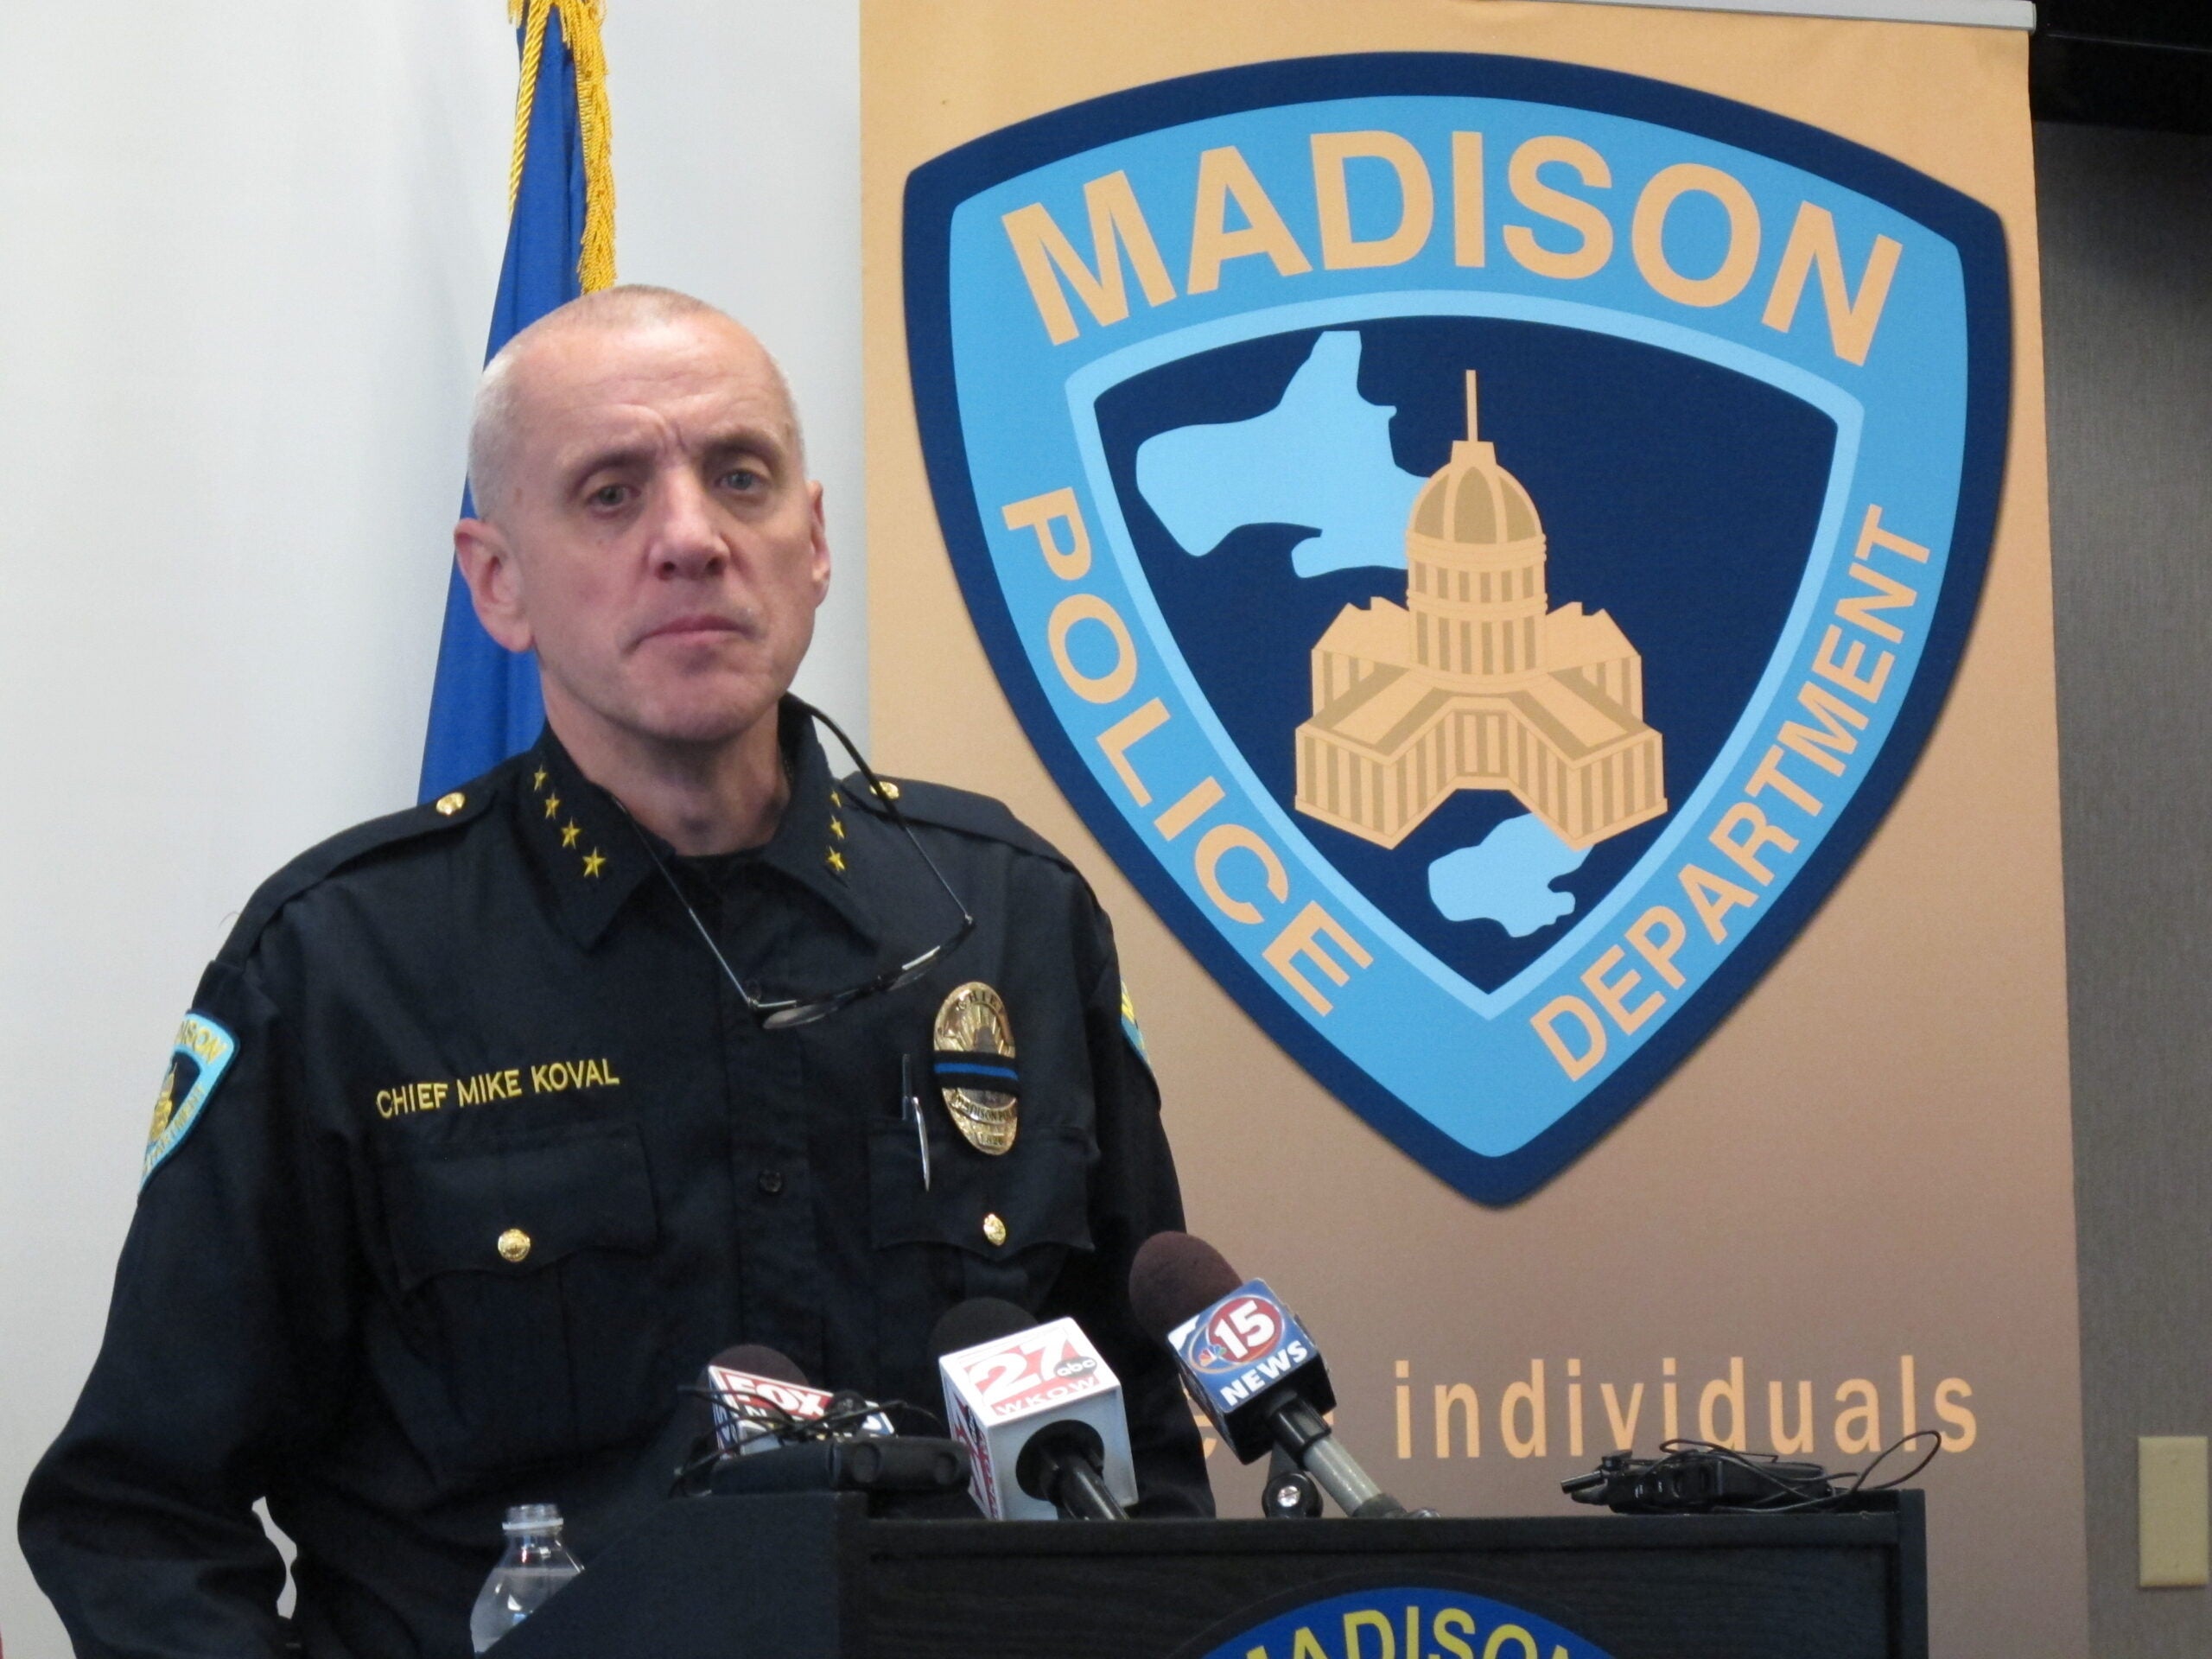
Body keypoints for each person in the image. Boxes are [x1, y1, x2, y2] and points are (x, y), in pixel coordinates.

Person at [20, 285, 1211, 1658]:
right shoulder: (344, 964)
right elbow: (137, 1522)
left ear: (815, 543)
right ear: (497, 582)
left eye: (742, 477)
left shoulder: (1010, 916)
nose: (692, 538)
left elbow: (1144, 1460)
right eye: (610, 493)